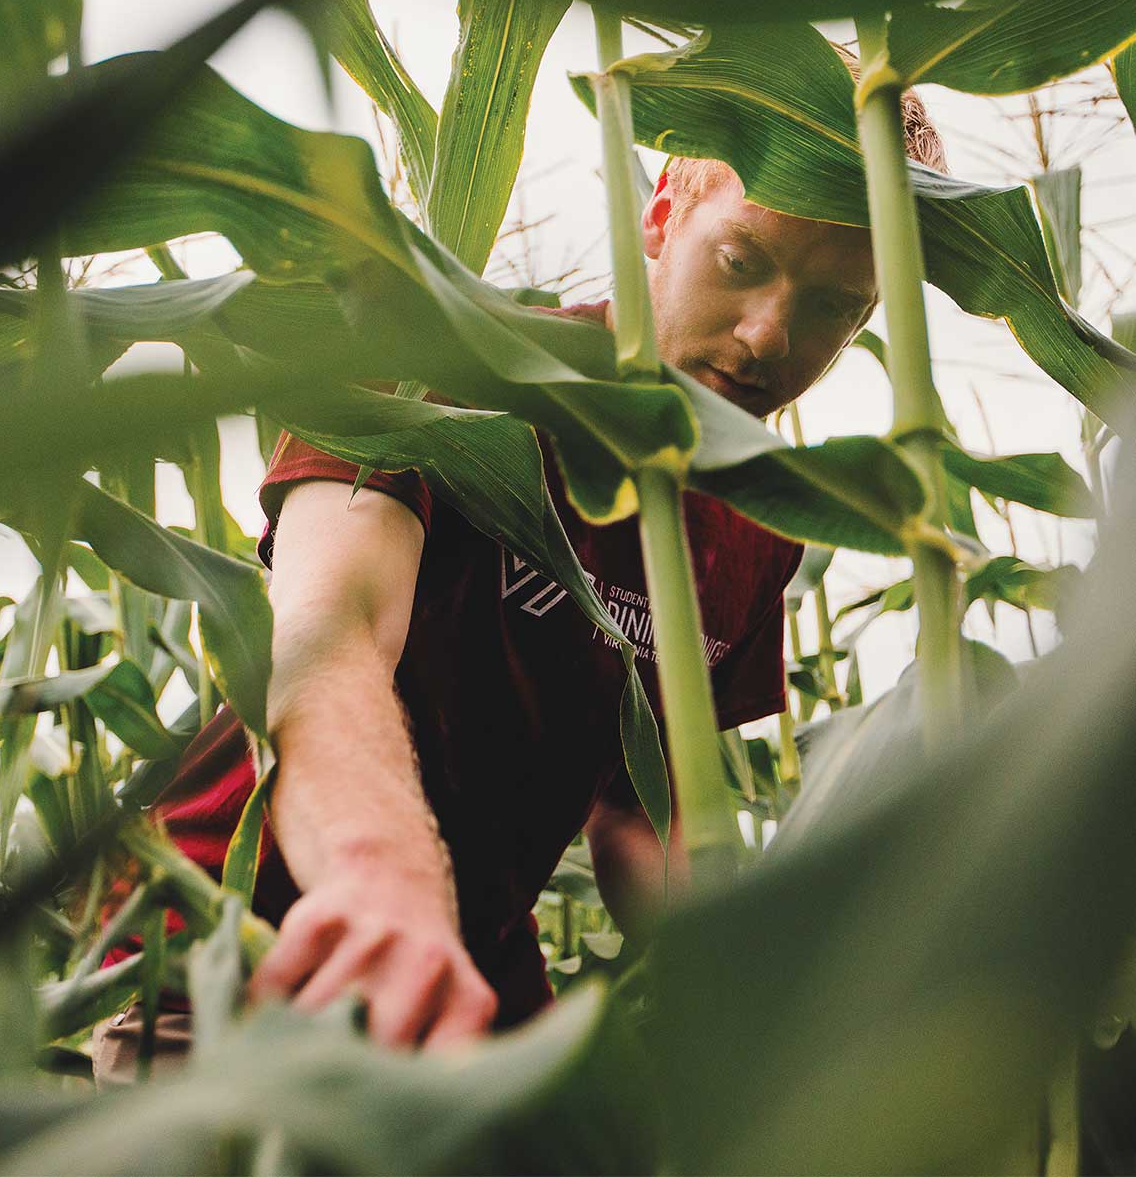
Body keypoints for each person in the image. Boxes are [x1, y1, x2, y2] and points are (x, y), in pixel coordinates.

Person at [92, 58, 948, 1079]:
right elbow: (326, 633)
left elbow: (643, 809)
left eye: (831, 310)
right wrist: (380, 884)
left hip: (472, 966)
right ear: (662, 217)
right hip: (237, 930)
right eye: (739, 260)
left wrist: (745, 996)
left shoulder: (761, 522)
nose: (768, 333)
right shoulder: (446, 369)